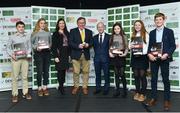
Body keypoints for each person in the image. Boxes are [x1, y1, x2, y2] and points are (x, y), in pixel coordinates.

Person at [146, 13, 176, 111]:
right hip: (154, 59)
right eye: (156, 20)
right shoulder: (152, 33)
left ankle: (167, 100)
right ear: (154, 21)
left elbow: (173, 46)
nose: (158, 21)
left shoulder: (169, 31)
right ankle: (153, 98)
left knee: (165, 80)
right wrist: (149, 54)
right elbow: (149, 46)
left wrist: (167, 54)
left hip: (164, 58)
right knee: (153, 79)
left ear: (163, 20)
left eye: (160, 19)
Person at [7, 21, 32, 102]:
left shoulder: (27, 36)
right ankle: (15, 94)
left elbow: (29, 47)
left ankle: (25, 93)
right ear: (16, 28)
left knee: (25, 77)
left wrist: (28, 54)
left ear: (24, 28)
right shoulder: (12, 37)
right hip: (16, 59)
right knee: (15, 77)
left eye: (22, 27)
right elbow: (8, 48)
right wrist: (12, 55)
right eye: (19, 27)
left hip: (25, 59)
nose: (21, 28)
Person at [69, 17, 93, 95]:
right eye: (80, 23)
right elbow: (70, 42)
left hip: (86, 54)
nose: (82, 24)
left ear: (85, 23)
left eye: (83, 23)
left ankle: (84, 87)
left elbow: (92, 42)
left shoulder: (89, 32)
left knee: (86, 71)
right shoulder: (72, 31)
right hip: (76, 54)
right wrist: (78, 46)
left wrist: (88, 45)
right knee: (76, 72)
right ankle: (76, 86)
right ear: (77, 23)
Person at [129, 20, 149, 102]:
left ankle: (143, 94)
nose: (137, 26)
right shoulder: (133, 35)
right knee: (136, 75)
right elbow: (130, 46)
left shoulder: (146, 34)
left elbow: (147, 47)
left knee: (142, 76)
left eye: (139, 25)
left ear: (142, 26)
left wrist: (140, 52)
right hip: (134, 57)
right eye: (136, 25)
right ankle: (137, 92)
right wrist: (130, 47)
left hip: (142, 57)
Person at [31, 18, 52, 97]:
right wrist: (36, 47)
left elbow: (50, 43)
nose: (43, 25)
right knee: (39, 71)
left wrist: (50, 46)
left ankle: (45, 87)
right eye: (41, 23)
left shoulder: (48, 33)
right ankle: (39, 88)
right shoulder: (35, 33)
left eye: (44, 23)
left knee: (46, 71)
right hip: (38, 53)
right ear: (38, 24)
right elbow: (31, 43)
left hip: (47, 53)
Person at [109, 22, 128, 98]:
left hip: (121, 56)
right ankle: (117, 91)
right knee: (116, 74)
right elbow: (110, 47)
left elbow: (126, 47)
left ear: (120, 29)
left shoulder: (124, 37)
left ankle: (124, 90)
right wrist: (110, 53)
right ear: (113, 30)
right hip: (115, 57)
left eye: (118, 28)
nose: (117, 30)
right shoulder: (111, 37)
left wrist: (125, 54)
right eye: (115, 29)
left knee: (122, 74)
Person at [52, 18, 70, 95]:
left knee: (64, 71)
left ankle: (61, 85)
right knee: (60, 71)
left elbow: (69, 45)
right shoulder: (55, 33)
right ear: (58, 25)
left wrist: (69, 55)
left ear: (64, 24)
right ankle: (61, 86)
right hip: (59, 55)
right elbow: (53, 46)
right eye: (60, 23)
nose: (62, 24)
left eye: (63, 23)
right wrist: (55, 56)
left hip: (66, 54)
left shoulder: (67, 33)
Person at [93, 22, 110, 95]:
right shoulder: (94, 37)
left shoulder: (109, 37)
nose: (100, 28)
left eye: (101, 27)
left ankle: (106, 88)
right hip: (97, 59)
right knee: (97, 74)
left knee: (106, 74)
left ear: (104, 27)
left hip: (106, 59)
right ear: (97, 28)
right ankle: (98, 88)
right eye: (99, 27)